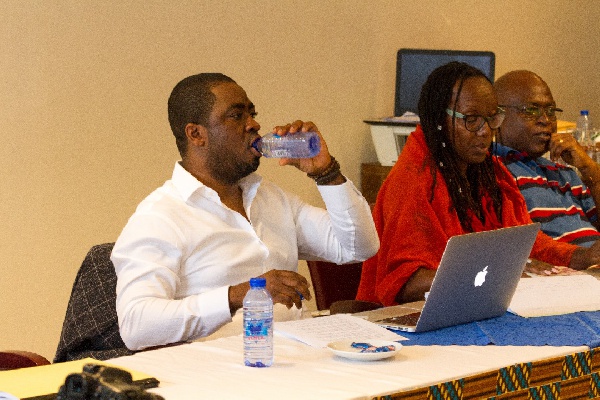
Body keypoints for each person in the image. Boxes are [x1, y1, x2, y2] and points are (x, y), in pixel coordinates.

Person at [111, 73, 379, 350]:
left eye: (252, 113)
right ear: (196, 134)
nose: (254, 124)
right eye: (236, 116)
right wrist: (242, 294)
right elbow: (136, 325)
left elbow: (359, 248)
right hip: (219, 376)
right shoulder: (160, 217)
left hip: (300, 359)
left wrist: (326, 172)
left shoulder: (272, 198)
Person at [356, 62, 600, 307]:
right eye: (472, 120)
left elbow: (525, 243)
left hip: (477, 305)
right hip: (412, 319)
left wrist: (582, 256)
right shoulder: (413, 180)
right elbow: (408, 284)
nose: (485, 131)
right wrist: (499, 275)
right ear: (440, 118)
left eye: (491, 118)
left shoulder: (490, 172)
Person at [494, 70, 600, 247]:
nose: (545, 120)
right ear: (497, 116)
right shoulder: (492, 170)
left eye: (551, 111)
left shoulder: (563, 173)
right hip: (561, 269)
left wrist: (589, 168)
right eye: (531, 110)